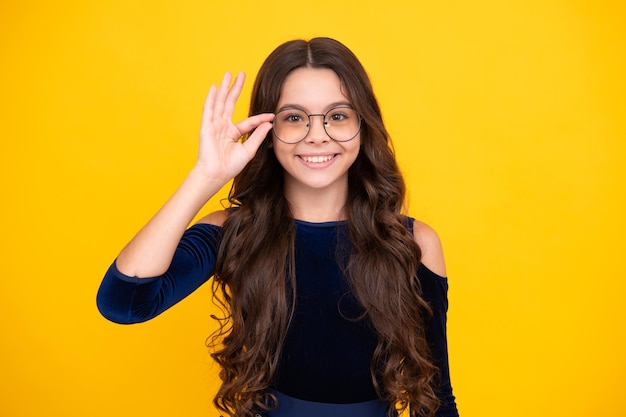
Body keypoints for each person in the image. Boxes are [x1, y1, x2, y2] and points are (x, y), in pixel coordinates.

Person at [97, 37, 459, 417]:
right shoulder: (232, 232)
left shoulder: (413, 243)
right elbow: (124, 303)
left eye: (337, 115)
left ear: (363, 126)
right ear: (266, 133)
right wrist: (206, 176)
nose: (317, 135)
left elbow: (438, 398)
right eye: (294, 117)